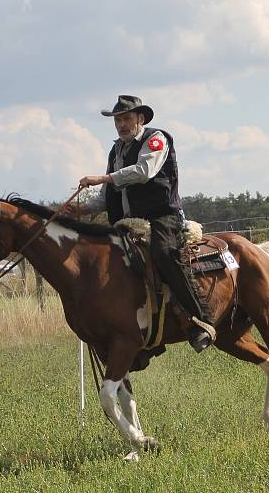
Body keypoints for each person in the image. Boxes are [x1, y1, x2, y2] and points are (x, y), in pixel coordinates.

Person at [71, 94, 213, 352]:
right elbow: (106, 198)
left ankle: (198, 319)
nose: (121, 125)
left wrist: (103, 177)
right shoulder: (116, 150)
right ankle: (138, 331)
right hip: (127, 223)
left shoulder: (156, 139)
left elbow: (144, 171)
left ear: (141, 118)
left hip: (162, 217)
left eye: (126, 119)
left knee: (164, 252)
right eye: (117, 120)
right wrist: (80, 209)